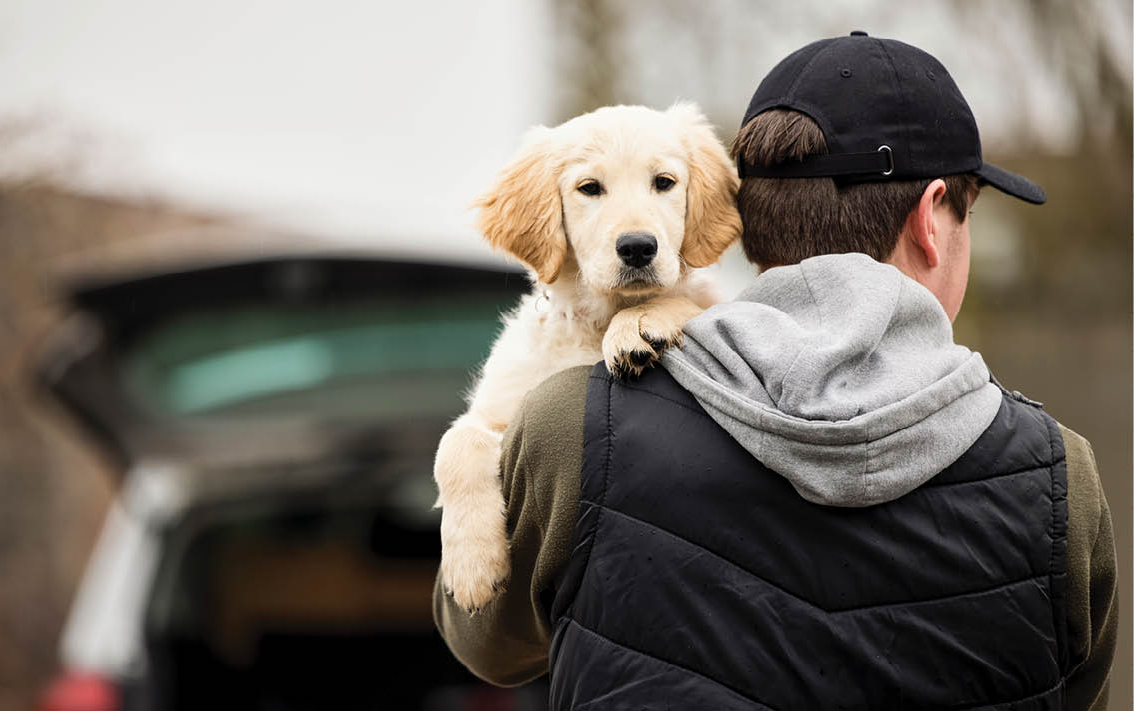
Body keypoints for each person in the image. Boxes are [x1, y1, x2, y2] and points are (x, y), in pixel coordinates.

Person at [433, 33, 1117, 710]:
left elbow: (490, 644)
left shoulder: (571, 424)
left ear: (741, 220)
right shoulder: (1059, 474)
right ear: (932, 219)